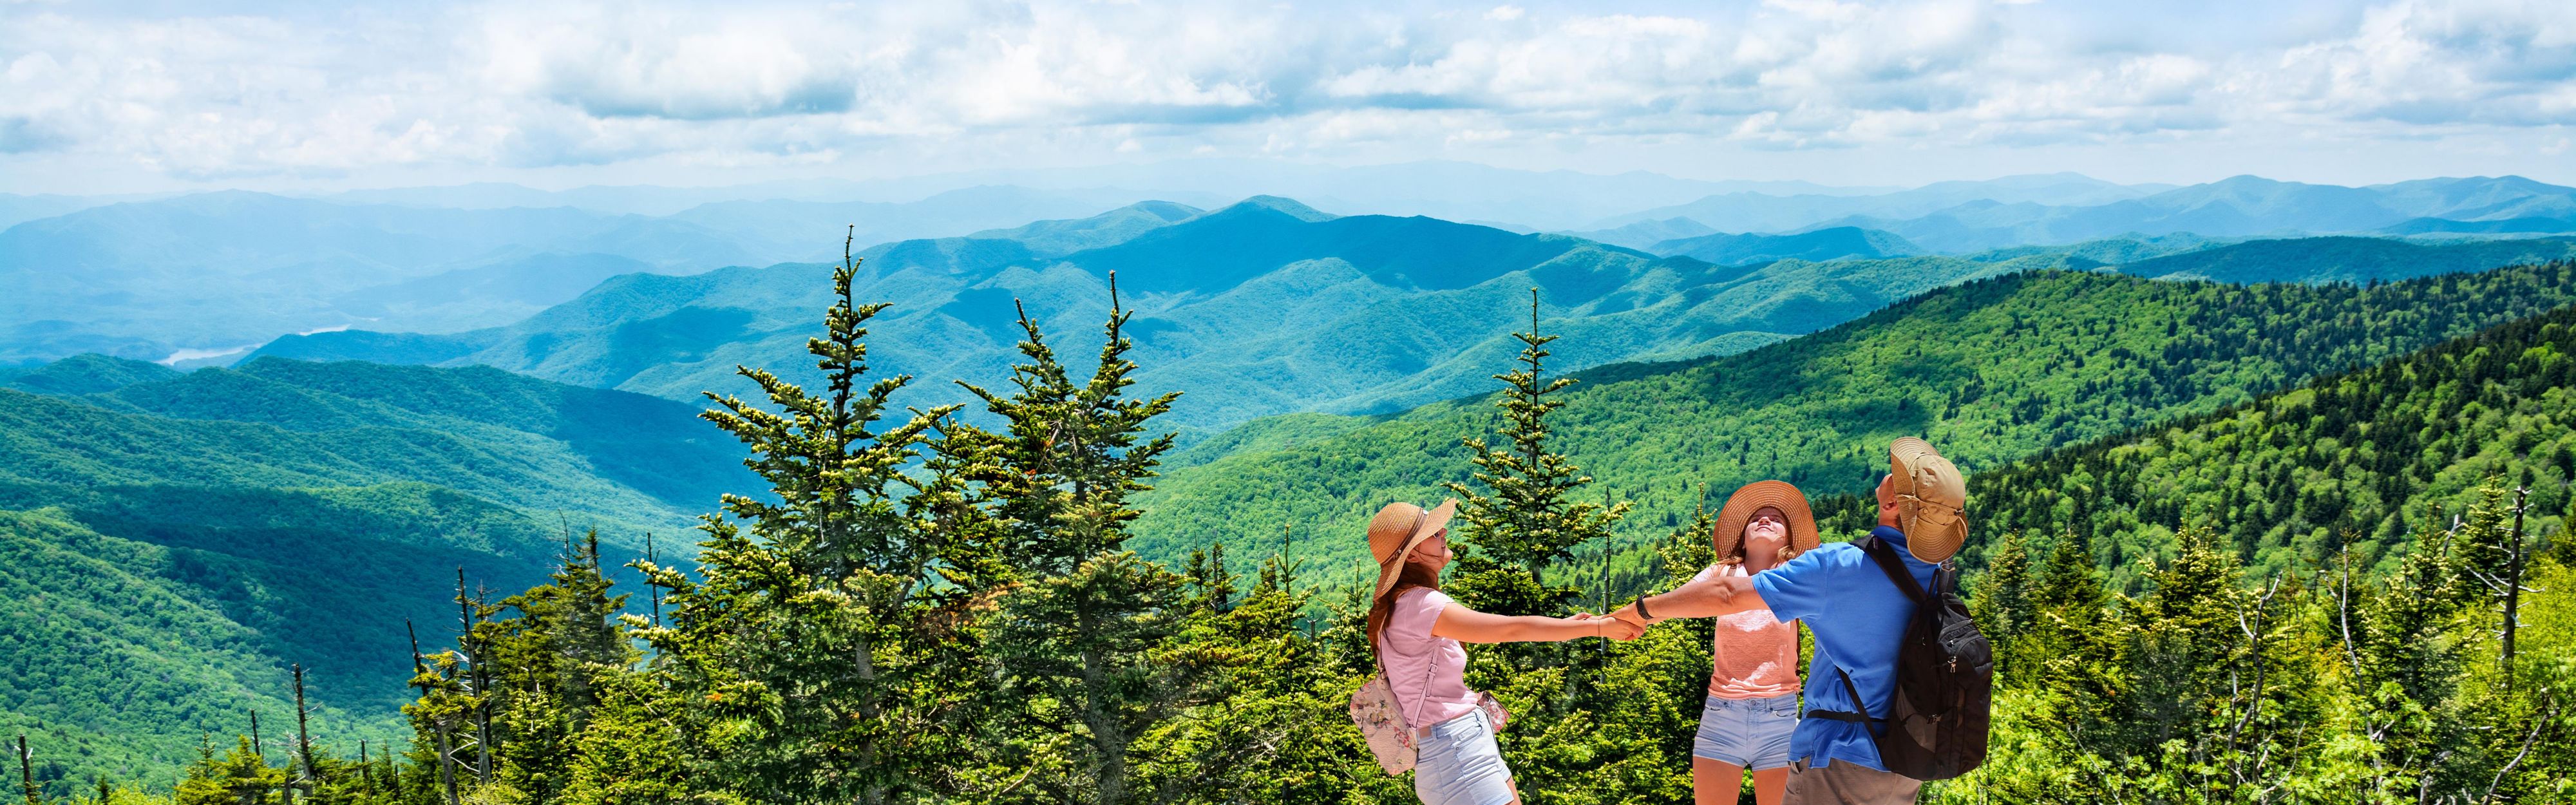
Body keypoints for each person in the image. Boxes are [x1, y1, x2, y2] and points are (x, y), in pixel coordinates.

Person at [1612, 438, 1969, 805]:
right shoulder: (1935, 572)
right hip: (1905, 758)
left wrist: (1639, 611)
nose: (1889, 473)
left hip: (1839, 756)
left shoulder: (1837, 567)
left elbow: (1728, 595)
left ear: (1892, 504)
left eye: (1897, 476)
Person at [1367, 499, 1643, 805]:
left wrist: (1568, 625)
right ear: (1412, 555)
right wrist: (1598, 628)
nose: (1443, 531)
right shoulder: (1421, 604)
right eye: (1433, 533)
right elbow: (1509, 630)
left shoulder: (1401, 605)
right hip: (1456, 754)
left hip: (1459, 748)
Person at [1687, 480, 1821, 805]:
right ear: (1743, 535)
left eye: (1776, 518)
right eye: (1756, 517)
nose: (1765, 519)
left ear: (1788, 538)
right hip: (1721, 714)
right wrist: (1621, 619)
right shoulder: (1721, 573)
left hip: (1780, 717)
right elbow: (1676, 602)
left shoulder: (1796, 576)